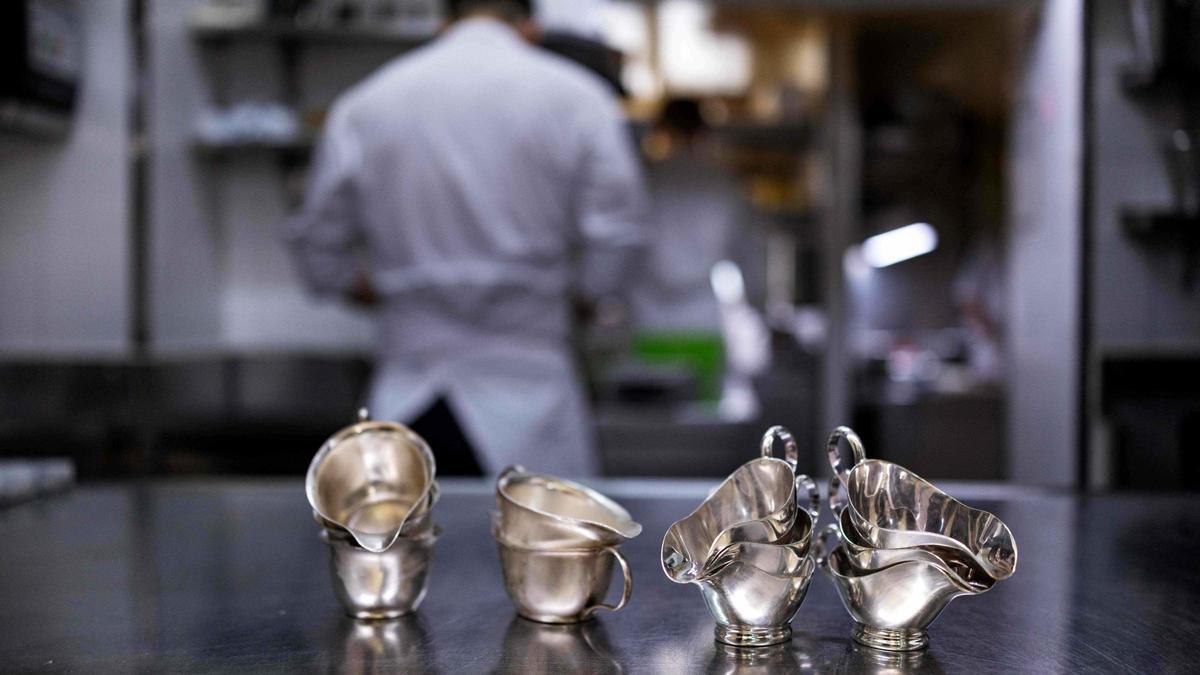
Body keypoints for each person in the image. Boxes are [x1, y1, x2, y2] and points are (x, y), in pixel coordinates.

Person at [285, 0, 646, 476]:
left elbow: (317, 245)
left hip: (409, 398)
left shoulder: (367, 102)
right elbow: (618, 233)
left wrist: (389, 295)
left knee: (411, 522)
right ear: (531, 29)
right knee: (536, 522)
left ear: (442, 25)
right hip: (533, 389)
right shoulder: (579, 98)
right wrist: (581, 297)